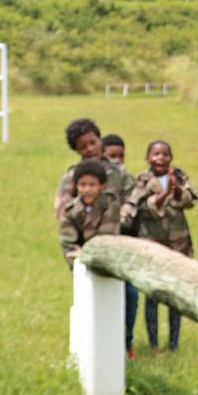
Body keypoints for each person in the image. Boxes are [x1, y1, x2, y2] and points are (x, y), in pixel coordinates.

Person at [54, 117, 137, 353]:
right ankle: (94, 345)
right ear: (76, 150)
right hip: (84, 249)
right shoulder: (72, 176)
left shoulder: (117, 172)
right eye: (83, 147)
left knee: (129, 295)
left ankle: (125, 344)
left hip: (118, 246)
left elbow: (134, 197)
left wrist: (123, 216)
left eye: (93, 142)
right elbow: (62, 210)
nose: (90, 149)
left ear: (99, 139)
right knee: (91, 298)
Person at [121, 140, 197, 352]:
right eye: (155, 154)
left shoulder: (180, 176)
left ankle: (173, 344)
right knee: (152, 295)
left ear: (170, 158)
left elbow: (191, 200)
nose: (160, 158)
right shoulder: (143, 180)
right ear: (148, 158)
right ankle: (154, 344)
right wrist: (164, 193)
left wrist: (177, 190)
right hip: (151, 244)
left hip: (178, 245)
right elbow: (142, 207)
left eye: (165, 154)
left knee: (175, 296)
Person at [99, 133, 140, 354]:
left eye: (121, 155)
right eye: (112, 155)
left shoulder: (126, 178)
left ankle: (127, 343)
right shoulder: (93, 177)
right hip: (97, 246)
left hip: (124, 245)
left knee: (130, 295)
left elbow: (133, 206)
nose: (117, 159)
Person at [57, 160, 120, 267]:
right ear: (76, 185)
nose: (87, 189)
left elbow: (106, 241)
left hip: (109, 263)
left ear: (102, 186)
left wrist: (83, 255)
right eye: (82, 184)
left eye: (92, 185)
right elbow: (68, 244)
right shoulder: (70, 211)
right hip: (80, 264)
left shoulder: (110, 205)